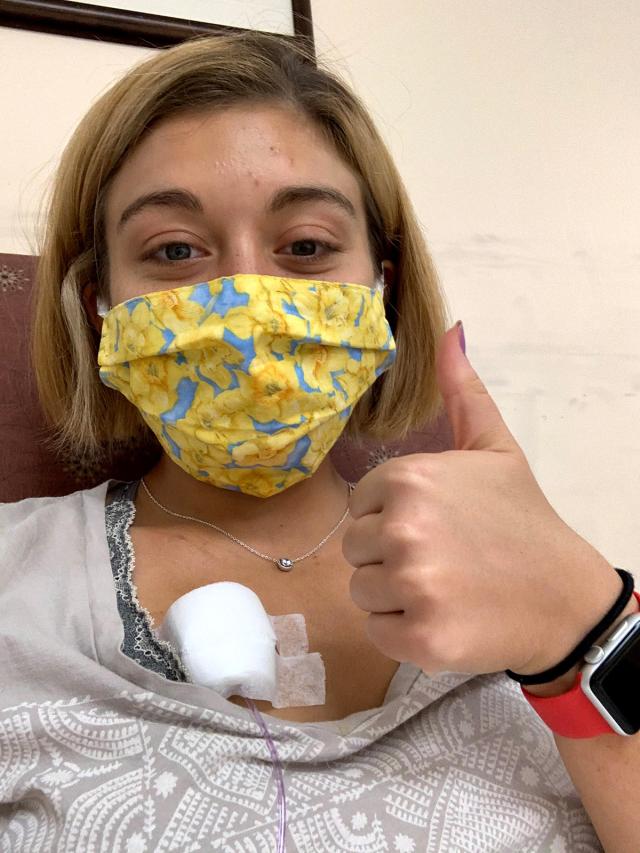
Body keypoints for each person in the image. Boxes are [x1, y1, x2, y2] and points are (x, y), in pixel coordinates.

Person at [1, 30, 638, 852]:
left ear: (382, 287)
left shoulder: (532, 569)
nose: (246, 300)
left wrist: (584, 628)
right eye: (174, 251)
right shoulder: (17, 580)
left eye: (305, 246)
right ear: (100, 304)